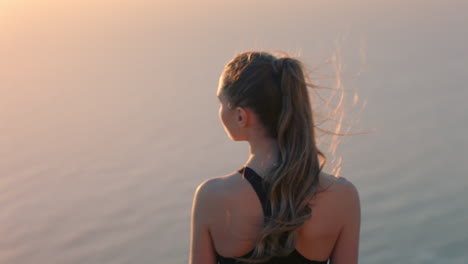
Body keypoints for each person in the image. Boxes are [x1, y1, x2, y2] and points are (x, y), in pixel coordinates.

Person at [189, 51, 361, 264]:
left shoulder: (212, 198)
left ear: (241, 116)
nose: (220, 111)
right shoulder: (343, 197)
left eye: (221, 103)